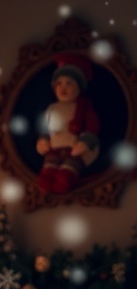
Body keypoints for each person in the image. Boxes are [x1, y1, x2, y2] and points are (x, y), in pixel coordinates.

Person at [36, 53, 100, 194]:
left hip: (74, 150)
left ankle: (65, 179)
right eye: (59, 83)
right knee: (47, 174)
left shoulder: (84, 107)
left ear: (79, 86)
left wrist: (85, 142)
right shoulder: (52, 108)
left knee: (66, 174)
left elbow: (92, 127)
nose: (63, 88)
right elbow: (45, 128)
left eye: (69, 83)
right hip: (54, 149)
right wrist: (43, 140)